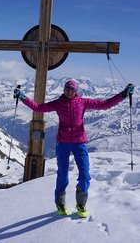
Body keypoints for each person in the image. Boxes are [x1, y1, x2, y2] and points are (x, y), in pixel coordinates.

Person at [14, 80, 134, 218]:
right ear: (64, 89)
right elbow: (38, 108)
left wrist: (123, 94)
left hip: (79, 143)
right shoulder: (58, 103)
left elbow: (105, 105)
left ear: (76, 90)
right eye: (67, 89)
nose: (69, 91)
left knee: (85, 173)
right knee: (62, 175)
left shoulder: (82, 102)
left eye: (72, 89)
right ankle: (60, 204)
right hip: (63, 143)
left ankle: (81, 204)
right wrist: (22, 97)